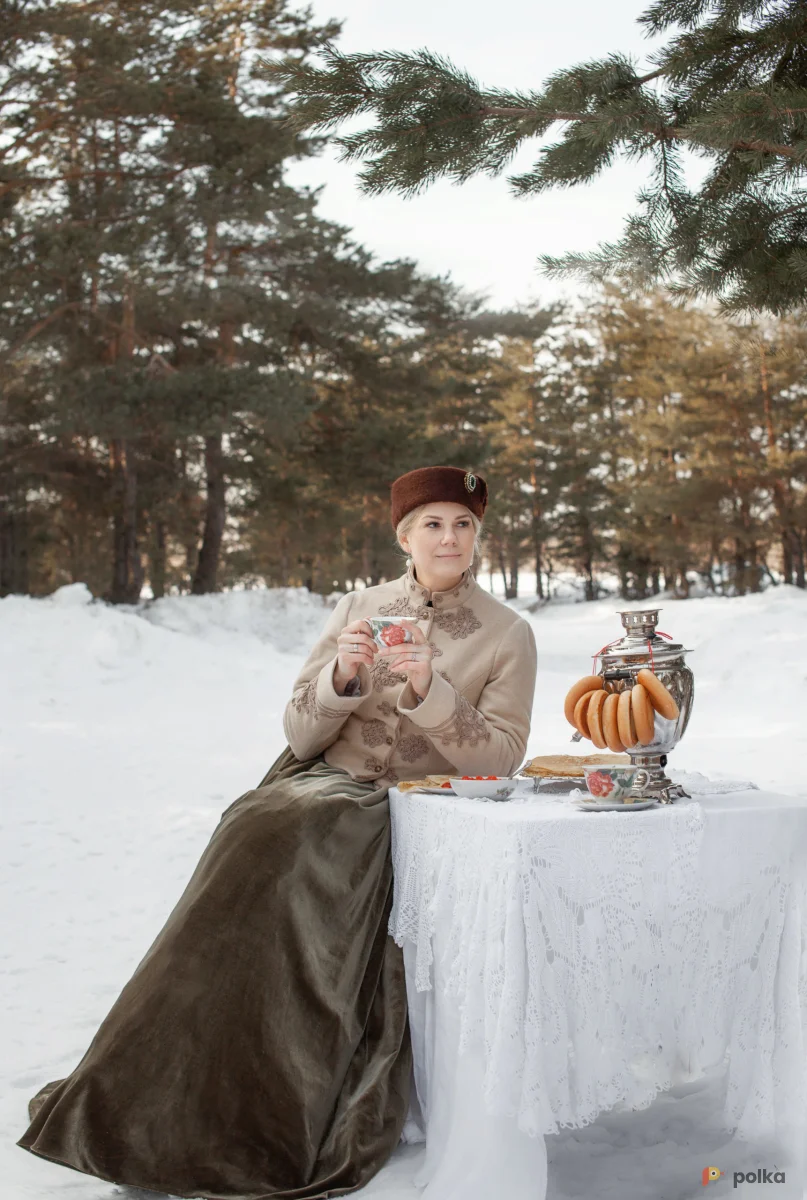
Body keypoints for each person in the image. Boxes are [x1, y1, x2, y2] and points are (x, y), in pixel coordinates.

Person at [18, 465, 538, 1200]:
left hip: (421, 802)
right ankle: (165, 1079)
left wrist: (429, 690)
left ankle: (266, 1106)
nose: (447, 537)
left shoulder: (507, 633)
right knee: (256, 825)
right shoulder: (360, 605)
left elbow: (502, 754)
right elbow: (299, 729)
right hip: (323, 781)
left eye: (462, 525)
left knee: (288, 831)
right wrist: (343, 677)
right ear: (404, 536)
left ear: (479, 537)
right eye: (432, 524)